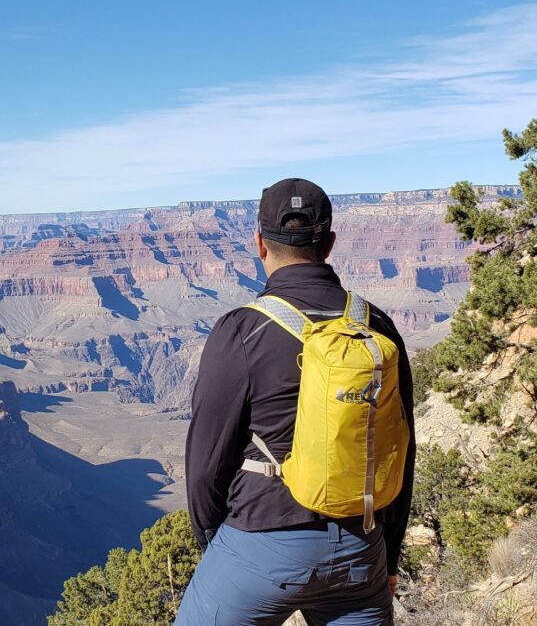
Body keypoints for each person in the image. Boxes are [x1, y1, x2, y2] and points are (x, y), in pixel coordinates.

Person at [175, 178, 416, 626]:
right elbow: (401, 451)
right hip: (360, 549)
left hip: (259, 545)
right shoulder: (377, 326)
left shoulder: (241, 330)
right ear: (330, 243)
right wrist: (389, 557)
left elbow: (205, 465)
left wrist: (215, 545)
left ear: (259, 243)